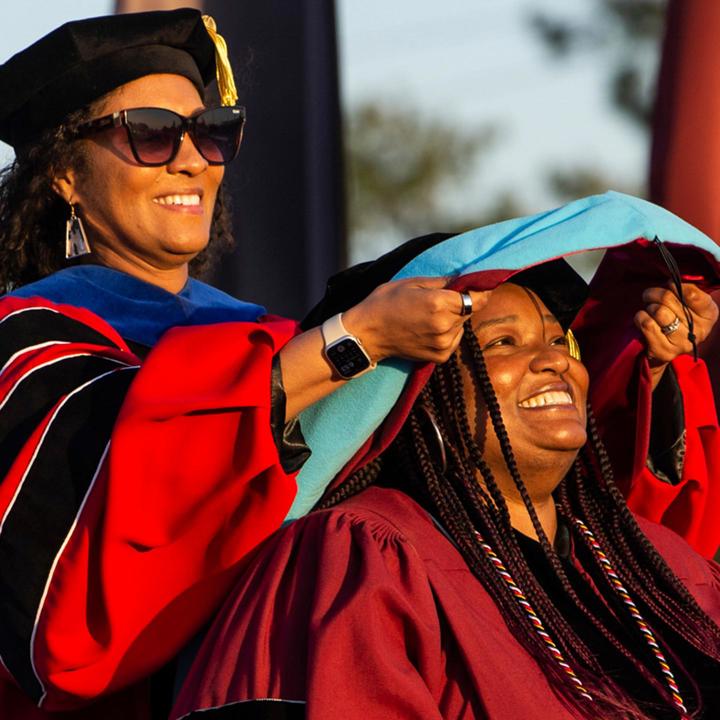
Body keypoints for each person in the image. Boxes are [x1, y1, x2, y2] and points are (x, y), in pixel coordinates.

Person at [0, 9, 489, 718]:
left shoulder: (262, 333)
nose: (193, 158)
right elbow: (83, 598)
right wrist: (351, 343)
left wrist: (642, 363)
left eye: (211, 131)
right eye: (150, 133)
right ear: (67, 176)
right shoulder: (27, 347)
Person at [171, 194, 720, 720]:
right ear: (420, 390)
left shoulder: (662, 565)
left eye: (560, 342)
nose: (553, 362)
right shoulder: (367, 555)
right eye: (503, 343)